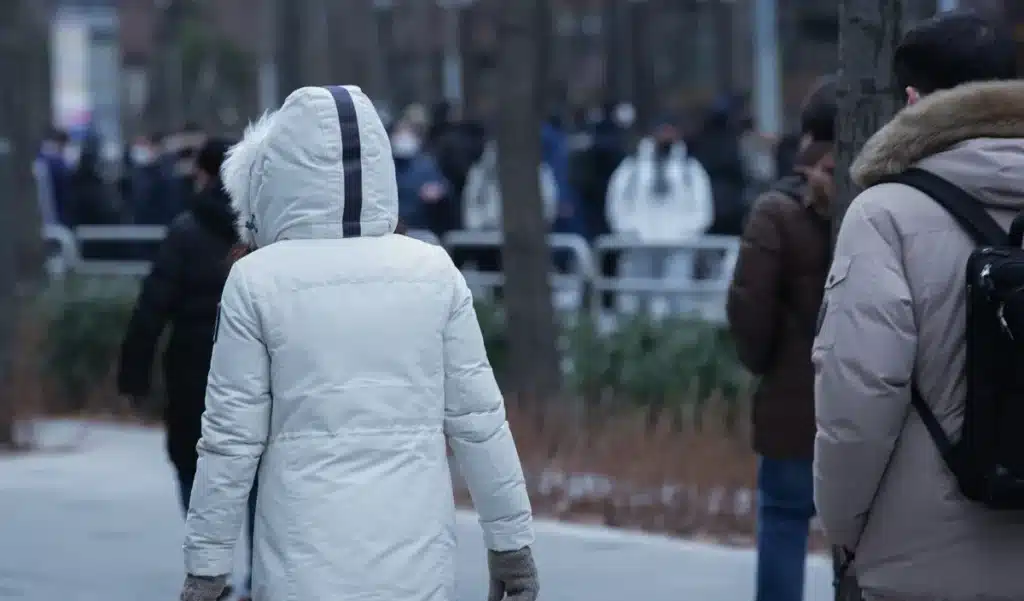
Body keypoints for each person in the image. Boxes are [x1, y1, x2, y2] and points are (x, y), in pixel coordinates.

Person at [179, 86, 537, 601]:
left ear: (277, 175)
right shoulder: (433, 272)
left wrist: (206, 568)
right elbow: (480, 423)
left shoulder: (257, 282)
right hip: (416, 565)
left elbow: (230, 440)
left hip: (302, 566)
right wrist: (511, 547)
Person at [813, 11, 1024, 601]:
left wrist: (844, 532)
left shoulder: (885, 216)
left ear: (911, 100)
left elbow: (859, 396)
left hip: (921, 563)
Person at [116, 138, 250, 600]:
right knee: (257, 470)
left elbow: (151, 307)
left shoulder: (185, 232)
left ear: (203, 175)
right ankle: (260, 570)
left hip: (193, 370)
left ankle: (211, 568)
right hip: (253, 371)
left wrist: (134, 376)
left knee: (192, 464)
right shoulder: (263, 231)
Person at [726, 76, 836, 601]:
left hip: (793, 408)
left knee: (784, 523)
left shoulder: (778, 211)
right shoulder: (888, 196)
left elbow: (750, 311)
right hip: (875, 412)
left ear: (807, 134)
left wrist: (765, 365)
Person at [604, 117, 714, 315]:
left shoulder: (689, 168)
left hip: (678, 245)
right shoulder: (632, 167)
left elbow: (703, 207)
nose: (666, 136)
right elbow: (616, 203)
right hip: (639, 245)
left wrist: (688, 235)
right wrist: (629, 234)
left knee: (678, 300)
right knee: (635, 300)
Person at [392, 119, 450, 235]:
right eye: (400, 133)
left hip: (420, 228)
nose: (403, 137)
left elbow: (444, 188)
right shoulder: (386, 163)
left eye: (408, 133)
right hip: (393, 229)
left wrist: (439, 191)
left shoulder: (427, 164)